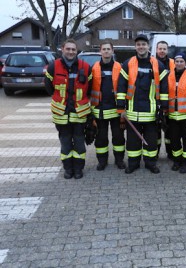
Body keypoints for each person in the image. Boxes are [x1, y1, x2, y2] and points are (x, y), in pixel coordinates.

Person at [117, 34, 168, 174]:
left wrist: (163, 108)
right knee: (133, 141)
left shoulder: (158, 64)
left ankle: (150, 163)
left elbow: (164, 87)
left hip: (151, 112)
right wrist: (121, 107)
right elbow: (121, 86)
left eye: (143, 44)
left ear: (148, 46)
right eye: (138, 44)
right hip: (132, 111)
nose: (141, 47)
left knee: (151, 141)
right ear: (135, 47)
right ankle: (133, 163)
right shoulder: (127, 64)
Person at [45, 39, 92, 179]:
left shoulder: (86, 67)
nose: (71, 52)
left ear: (76, 51)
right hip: (61, 113)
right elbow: (48, 87)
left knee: (79, 144)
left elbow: (89, 89)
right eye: (68, 49)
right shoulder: (53, 66)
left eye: (73, 49)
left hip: (79, 113)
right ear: (62, 49)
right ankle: (68, 169)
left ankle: (78, 169)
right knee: (65, 143)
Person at [90, 41, 126, 171]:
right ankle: (102, 161)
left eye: (108, 49)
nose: (106, 51)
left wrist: (124, 108)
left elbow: (124, 87)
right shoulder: (93, 68)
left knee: (118, 138)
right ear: (100, 51)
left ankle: (119, 160)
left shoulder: (120, 67)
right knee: (101, 139)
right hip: (99, 110)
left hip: (116, 110)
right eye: (103, 49)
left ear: (112, 51)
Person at [155, 40, 175, 159]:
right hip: (156, 102)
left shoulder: (173, 63)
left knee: (170, 131)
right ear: (156, 50)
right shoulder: (152, 62)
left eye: (164, 49)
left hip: (171, 102)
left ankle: (170, 153)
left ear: (167, 50)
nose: (162, 51)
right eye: (160, 48)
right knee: (155, 131)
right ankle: (155, 153)